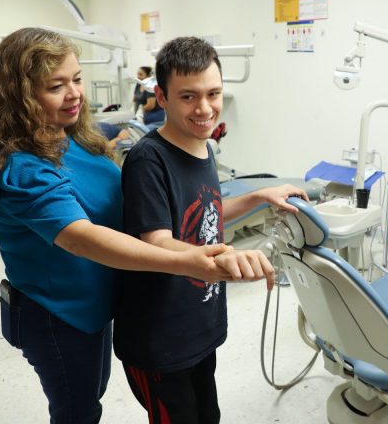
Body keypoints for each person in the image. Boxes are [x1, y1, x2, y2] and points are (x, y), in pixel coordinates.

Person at [0, 27, 275, 424]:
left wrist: (258, 198)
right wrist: (192, 261)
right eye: (56, 86)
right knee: (79, 412)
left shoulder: (67, 136)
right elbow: (83, 238)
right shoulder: (21, 169)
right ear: (18, 95)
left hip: (98, 303)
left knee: (97, 395)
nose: (74, 94)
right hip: (58, 315)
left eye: (77, 79)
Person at [114, 36, 308, 424]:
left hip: (199, 324)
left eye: (213, 94)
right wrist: (226, 256)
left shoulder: (201, 146)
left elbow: (207, 212)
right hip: (161, 338)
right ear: (161, 97)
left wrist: (259, 197)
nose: (205, 109)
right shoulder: (148, 160)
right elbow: (158, 241)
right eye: (188, 97)